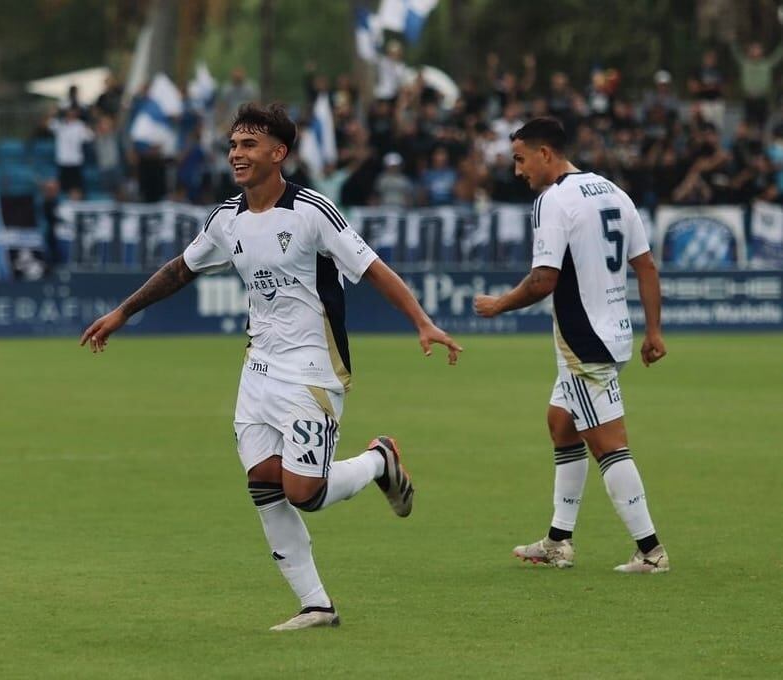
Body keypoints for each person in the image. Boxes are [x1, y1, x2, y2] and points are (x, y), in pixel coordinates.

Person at [81, 103, 462, 629]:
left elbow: (372, 268)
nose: (237, 154)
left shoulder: (312, 211)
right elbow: (180, 269)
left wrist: (421, 321)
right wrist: (122, 312)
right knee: (264, 483)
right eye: (234, 145)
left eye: (249, 145)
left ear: (278, 154)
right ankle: (316, 605)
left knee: (304, 492)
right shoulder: (224, 220)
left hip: (314, 370)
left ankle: (380, 459)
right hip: (257, 369)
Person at [473, 117, 670, 574]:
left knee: (609, 444)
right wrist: (654, 332)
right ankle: (559, 541)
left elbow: (544, 280)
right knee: (562, 423)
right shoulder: (611, 191)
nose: (518, 171)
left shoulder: (553, 200)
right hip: (614, 332)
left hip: (584, 342)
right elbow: (646, 268)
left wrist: (499, 305)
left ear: (546, 154)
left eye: (520, 160)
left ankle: (651, 551)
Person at [47, 106, 94, 199]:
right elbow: (47, 125)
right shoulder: (59, 124)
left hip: (75, 162)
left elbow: (91, 137)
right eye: (69, 112)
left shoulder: (80, 125)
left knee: (76, 188)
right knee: (61, 188)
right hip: (62, 161)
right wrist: (52, 113)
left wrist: (87, 124)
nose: (71, 114)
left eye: (73, 112)